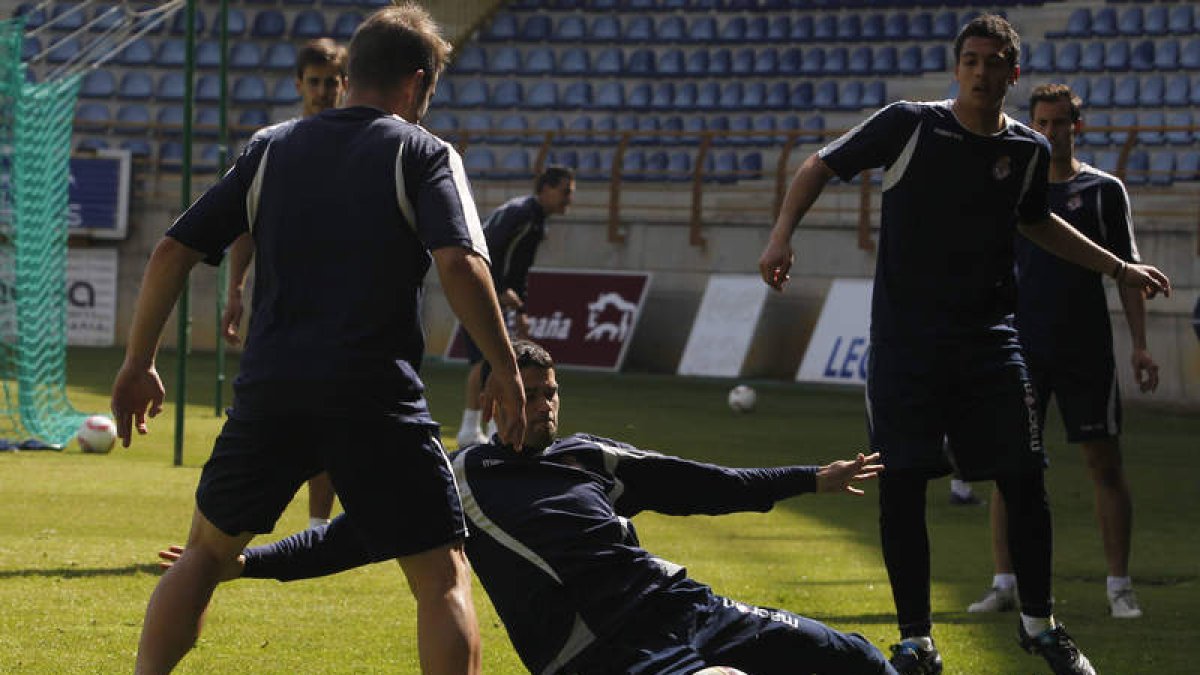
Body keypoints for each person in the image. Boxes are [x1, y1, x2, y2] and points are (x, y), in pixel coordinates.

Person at [110, 6, 527, 674]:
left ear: (350, 73)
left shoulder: (271, 149)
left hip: (272, 392)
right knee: (442, 576)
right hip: (375, 397)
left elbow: (170, 251)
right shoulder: (423, 152)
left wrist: (138, 361)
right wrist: (504, 369)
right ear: (418, 84)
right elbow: (459, 263)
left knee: (205, 555)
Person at [757, 14, 1169, 675]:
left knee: (1026, 477)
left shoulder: (1029, 151)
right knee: (904, 483)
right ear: (958, 68)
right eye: (970, 59)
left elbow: (1038, 222)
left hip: (990, 341)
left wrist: (1119, 267)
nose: (981, 71)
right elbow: (819, 164)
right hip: (906, 346)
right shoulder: (910, 123)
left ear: (1013, 71)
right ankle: (917, 639)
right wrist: (781, 235)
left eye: (994, 60)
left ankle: (1040, 625)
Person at [162, 340, 900, 675]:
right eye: (524, 392)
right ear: (490, 401)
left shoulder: (592, 457)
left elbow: (705, 485)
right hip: (606, 651)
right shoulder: (454, 477)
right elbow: (349, 540)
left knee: (855, 656)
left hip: (687, 606)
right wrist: (239, 562)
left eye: (549, 392)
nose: (540, 404)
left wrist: (813, 478)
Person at [966, 83, 1157, 620]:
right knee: (1012, 466)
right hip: (1018, 345)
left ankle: (1119, 585)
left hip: (1085, 346)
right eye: (1042, 124)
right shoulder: (1012, 186)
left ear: (1079, 125)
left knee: (1104, 463)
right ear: (1032, 126)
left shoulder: (1104, 191)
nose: (1050, 133)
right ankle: (1005, 582)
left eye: (1060, 123)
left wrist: (1140, 346)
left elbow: (1127, 273)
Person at [222, 37, 349, 532]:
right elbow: (245, 225)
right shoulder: (272, 145)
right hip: (279, 311)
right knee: (263, 419)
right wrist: (235, 288)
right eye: (313, 81)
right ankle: (225, 533)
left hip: (340, 309)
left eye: (330, 82)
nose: (321, 91)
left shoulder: (367, 146)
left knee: (332, 421)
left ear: (345, 86)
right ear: (299, 84)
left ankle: (319, 527)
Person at [456, 167, 575, 448]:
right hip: (478, 288)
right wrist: (496, 290)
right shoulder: (523, 216)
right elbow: (487, 249)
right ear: (545, 189)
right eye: (565, 191)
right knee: (487, 358)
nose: (569, 199)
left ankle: (476, 428)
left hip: (487, 290)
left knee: (488, 358)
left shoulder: (534, 219)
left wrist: (520, 309)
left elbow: (519, 269)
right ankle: (475, 428)